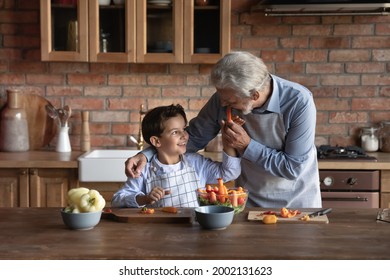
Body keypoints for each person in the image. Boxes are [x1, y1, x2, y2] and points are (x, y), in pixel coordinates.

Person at [125, 51, 322, 208]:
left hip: (297, 203)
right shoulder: (224, 99)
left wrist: (246, 146)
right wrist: (147, 154)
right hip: (247, 201)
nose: (222, 103)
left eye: (229, 100)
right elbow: (191, 139)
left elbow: (293, 168)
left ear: (253, 96)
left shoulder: (298, 102)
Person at [111, 104, 241, 208]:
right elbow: (117, 200)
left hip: (194, 231)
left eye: (184, 129)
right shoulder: (144, 170)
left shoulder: (196, 163)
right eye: (175, 132)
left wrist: (228, 140)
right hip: (159, 234)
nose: (184, 135)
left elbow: (230, 172)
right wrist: (144, 198)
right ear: (156, 141)